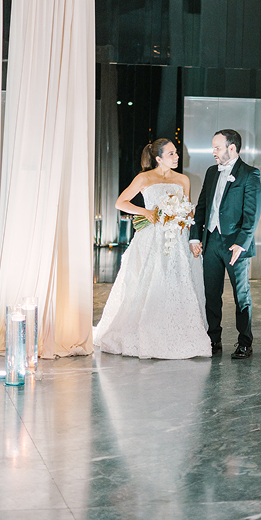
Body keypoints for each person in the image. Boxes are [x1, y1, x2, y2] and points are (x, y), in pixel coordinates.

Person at [93, 138, 212, 360]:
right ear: (158, 158)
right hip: (152, 237)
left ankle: (180, 332)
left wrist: (187, 222)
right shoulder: (144, 178)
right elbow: (121, 202)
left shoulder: (183, 179)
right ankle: (145, 331)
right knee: (148, 282)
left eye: (176, 153)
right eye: (171, 154)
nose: (177, 157)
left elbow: (188, 210)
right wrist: (146, 212)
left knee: (178, 281)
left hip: (177, 237)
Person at [189, 129, 261, 360]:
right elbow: (202, 206)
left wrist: (241, 243)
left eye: (217, 148)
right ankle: (213, 339)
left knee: (241, 295)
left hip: (235, 246)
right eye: (212, 148)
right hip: (211, 242)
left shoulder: (250, 174)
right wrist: (194, 236)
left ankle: (244, 342)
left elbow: (252, 215)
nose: (213, 152)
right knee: (212, 293)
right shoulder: (211, 173)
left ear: (232, 148)